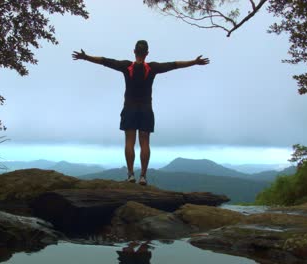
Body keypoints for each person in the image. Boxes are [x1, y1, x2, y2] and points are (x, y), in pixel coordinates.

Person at [72, 40, 209, 185]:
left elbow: (105, 61)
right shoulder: (153, 67)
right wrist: (194, 62)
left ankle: (131, 175)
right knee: (145, 142)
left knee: (129, 141)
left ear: (134, 51)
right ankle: (143, 176)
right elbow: (174, 65)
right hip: (146, 109)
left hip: (129, 108)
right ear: (147, 53)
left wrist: (86, 57)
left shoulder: (126, 66)